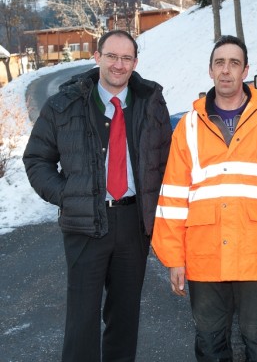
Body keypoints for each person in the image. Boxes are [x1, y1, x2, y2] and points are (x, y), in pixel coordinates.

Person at [22, 29, 172, 361]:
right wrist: (68, 194)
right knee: (82, 319)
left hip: (133, 222)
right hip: (85, 224)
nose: (119, 65)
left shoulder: (151, 103)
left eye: (126, 58)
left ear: (135, 62)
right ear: (97, 57)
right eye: (112, 56)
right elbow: (36, 159)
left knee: (125, 315)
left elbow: (166, 161)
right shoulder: (65, 104)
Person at [151, 35, 257, 361]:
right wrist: (174, 258)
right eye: (219, 63)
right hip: (205, 258)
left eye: (234, 63)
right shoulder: (188, 126)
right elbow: (173, 195)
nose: (226, 70)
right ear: (210, 70)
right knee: (211, 345)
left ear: (246, 71)